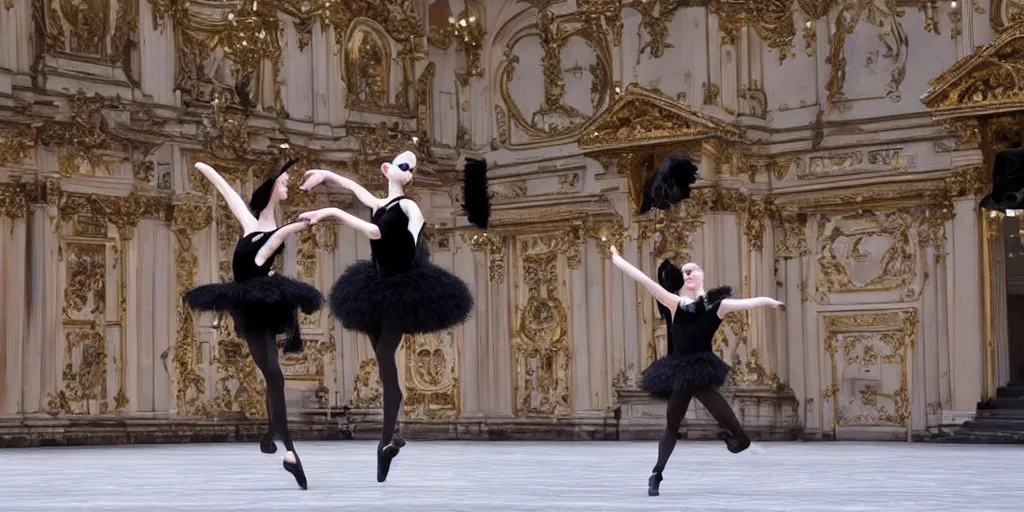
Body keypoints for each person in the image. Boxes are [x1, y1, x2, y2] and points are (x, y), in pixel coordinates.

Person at [297, 151, 479, 482]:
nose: (410, 173)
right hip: (374, 288)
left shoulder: (409, 207)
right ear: (387, 169)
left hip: (403, 290)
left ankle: (385, 442)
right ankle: (392, 437)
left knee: (384, 355)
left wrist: (330, 211)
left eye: (412, 169)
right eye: (404, 167)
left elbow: (378, 235)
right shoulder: (381, 205)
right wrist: (326, 173)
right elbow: (355, 188)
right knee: (385, 366)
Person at [183, 158, 324, 490]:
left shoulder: (260, 229)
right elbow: (228, 192)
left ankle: (281, 443)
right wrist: (206, 168)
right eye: (285, 182)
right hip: (251, 305)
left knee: (272, 373)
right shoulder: (257, 228)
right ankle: (280, 440)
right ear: (274, 188)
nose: (288, 186)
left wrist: (316, 218)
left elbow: (283, 229)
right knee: (272, 374)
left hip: (256, 307)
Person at [609, 249, 784, 496]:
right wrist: (618, 260)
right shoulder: (674, 302)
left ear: (702, 275)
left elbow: (749, 303)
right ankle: (656, 474)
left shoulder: (717, 306)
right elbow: (642, 279)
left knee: (723, 417)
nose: (688, 272)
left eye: (693, 269)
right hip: (680, 370)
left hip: (700, 369)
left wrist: (769, 301)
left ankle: (740, 442)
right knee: (672, 424)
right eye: (684, 271)